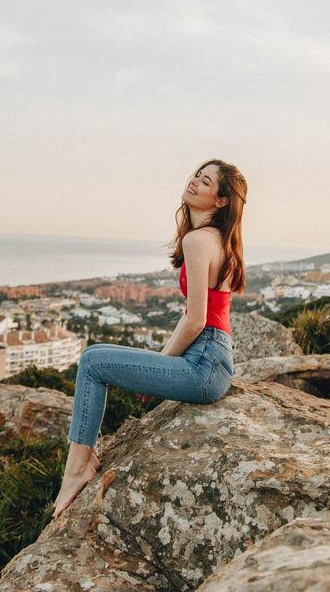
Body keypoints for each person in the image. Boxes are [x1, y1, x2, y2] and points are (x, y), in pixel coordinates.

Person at [52, 158, 248, 518]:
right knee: (96, 353)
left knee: (93, 362)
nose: (194, 182)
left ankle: (78, 468)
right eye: (197, 175)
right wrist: (161, 363)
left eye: (206, 182)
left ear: (221, 201)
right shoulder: (218, 239)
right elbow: (191, 316)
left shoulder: (198, 240)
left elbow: (196, 321)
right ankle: (83, 458)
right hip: (212, 358)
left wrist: (164, 366)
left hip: (203, 365)